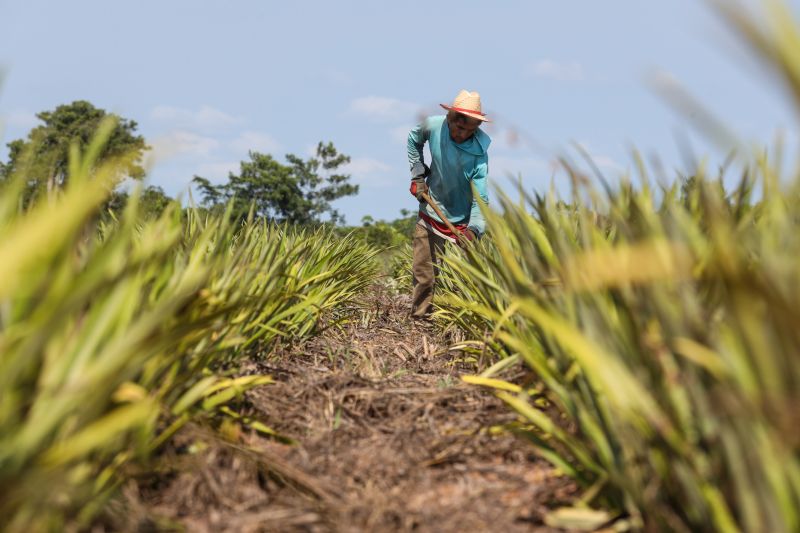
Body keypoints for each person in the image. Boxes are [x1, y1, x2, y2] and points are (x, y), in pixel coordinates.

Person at [406, 89, 491, 320]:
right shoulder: (433, 126)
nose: (463, 134)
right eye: (459, 127)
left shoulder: (479, 157)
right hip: (431, 210)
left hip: (461, 222)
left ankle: (456, 323)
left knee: (463, 279)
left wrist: (473, 231)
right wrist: (418, 174)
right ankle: (421, 319)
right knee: (424, 273)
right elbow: (414, 141)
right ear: (450, 118)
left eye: (470, 131)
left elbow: (480, 201)